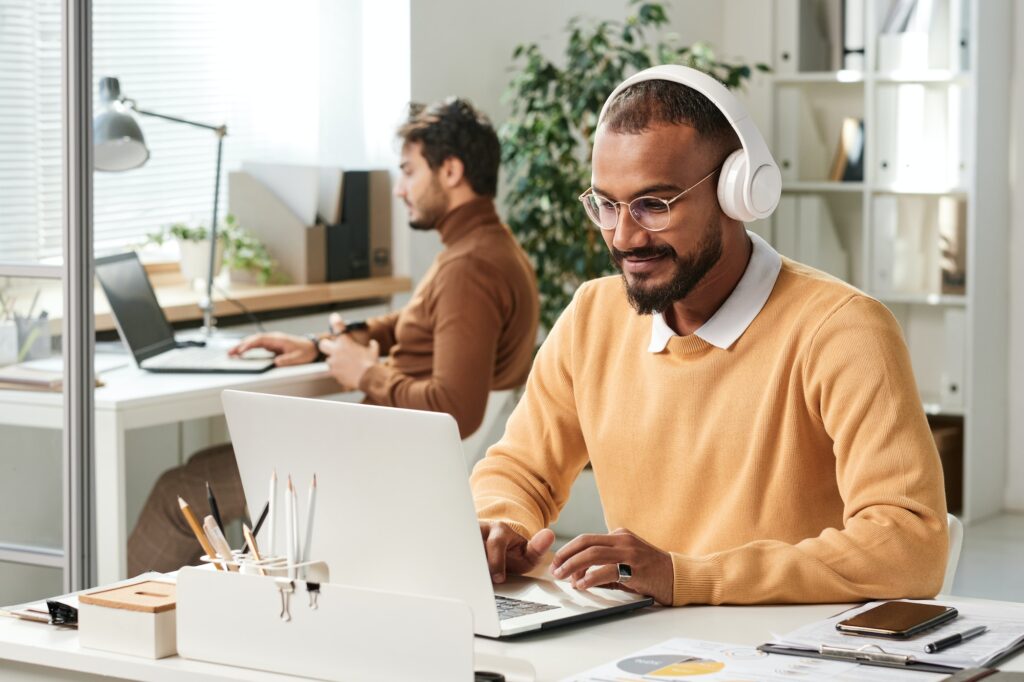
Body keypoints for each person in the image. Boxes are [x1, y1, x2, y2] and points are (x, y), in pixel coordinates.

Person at [471, 65, 948, 607]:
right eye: (606, 204)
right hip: (641, 647)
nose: (624, 236)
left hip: (786, 654)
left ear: (737, 193)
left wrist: (687, 575)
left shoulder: (842, 331)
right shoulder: (592, 316)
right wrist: (499, 521)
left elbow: (910, 545)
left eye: (654, 205)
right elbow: (520, 470)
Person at [128, 98, 539, 576]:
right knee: (204, 467)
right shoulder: (485, 249)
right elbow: (414, 321)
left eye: (408, 172)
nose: (401, 190)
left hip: (366, 465)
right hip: (376, 452)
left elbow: (455, 407)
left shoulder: (469, 267)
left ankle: (119, 623)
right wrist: (320, 344)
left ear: (450, 171)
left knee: (178, 491)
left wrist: (367, 373)